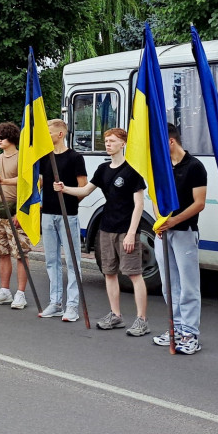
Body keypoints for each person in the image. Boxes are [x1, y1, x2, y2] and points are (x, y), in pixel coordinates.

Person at [62, 128, 149, 335]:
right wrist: (64, 188)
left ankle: (141, 319)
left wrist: (131, 233)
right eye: (106, 141)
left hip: (126, 229)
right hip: (106, 228)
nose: (108, 144)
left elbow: (139, 204)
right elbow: (85, 191)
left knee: (134, 274)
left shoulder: (133, 170)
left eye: (112, 141)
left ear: (123, 144)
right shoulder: (103, 169)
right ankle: (116, 315)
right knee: (109, 273)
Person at [152, 123, 207, 353]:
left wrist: (174, 221)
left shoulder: (195, 166)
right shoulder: (160, 167)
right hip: (163, 233)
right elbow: (155, 196)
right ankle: (174, 328)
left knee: (188, 286)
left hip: (184, 232)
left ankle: (190, 333)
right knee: (168, 285)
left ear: (171, 142)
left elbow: (199, 203)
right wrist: (160, 220)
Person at [37, 119, 88, 320]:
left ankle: (72, 305)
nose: (46, 135)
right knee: (52, 260)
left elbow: (83, 187)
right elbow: (40, 182)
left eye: (49, 132)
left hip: (68, 215)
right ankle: (55, 302)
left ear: (60, 134)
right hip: (48, 214)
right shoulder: (45, 157)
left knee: (73, 261)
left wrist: (68, 195)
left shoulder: (75, 157)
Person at [0, 122, 31, 310]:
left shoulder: (22, 158)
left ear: (11, 138)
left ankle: (21, 293)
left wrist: (22, 213)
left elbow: (29, 182)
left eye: (2, 137)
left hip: (16, 212)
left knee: (21, 254)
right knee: (2, 253)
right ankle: (5, 290)